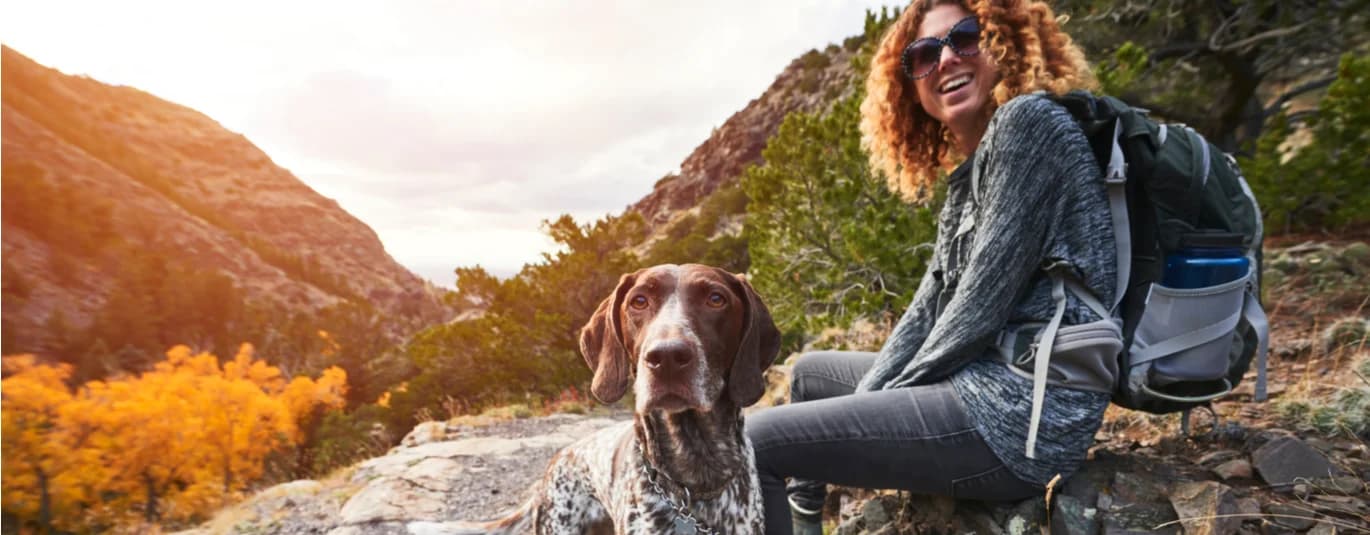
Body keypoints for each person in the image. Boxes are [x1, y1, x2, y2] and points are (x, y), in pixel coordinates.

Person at [744, 1, 1118, 533]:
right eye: (923, 54)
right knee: (809, 374)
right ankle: (806, 525)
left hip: (1020, 417)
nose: (945, 59)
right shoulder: (970, 174)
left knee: (755, 441)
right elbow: (925, 314)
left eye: (964, 37)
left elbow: (976, 313)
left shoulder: (1027, 124)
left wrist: (866, 413)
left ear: (1004, 42)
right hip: (981, 382)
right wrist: (865, 407)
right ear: (910, 89)